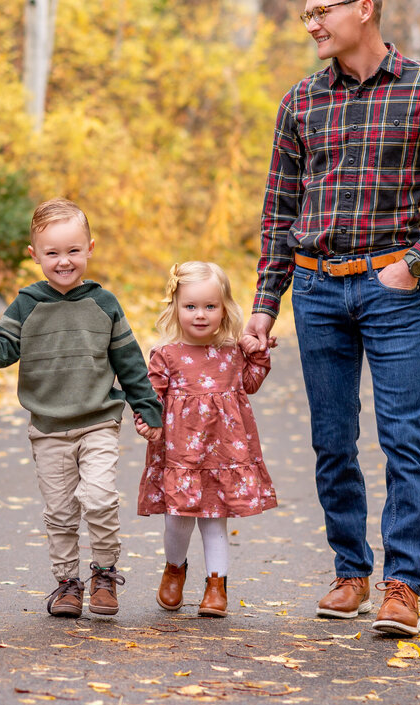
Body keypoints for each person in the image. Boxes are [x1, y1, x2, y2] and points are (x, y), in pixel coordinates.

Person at [242, 0, 420, 636]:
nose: (312, 24)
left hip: (390, 288)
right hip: (316, 287)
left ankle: (403, 583)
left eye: (323, 11)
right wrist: (265, 305)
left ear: (365, 9)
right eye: (307, 14)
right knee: (331, 439)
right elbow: (279, 211)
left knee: (403, 437)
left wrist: (416, 263)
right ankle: (351, 571)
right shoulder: (301, 101)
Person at [0, 198, 163, 618]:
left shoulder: (104, 305)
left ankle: (104, 574)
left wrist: (148, 409)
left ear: (90, 248)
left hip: (98, 421)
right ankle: (68, 584)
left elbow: (130, 362)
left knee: (101, 498)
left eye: (72, 250)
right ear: (35, 256)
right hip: (48, 428)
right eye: (52, 252)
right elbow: (0, 353)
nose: (63, 261)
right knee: (61, 512)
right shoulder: (27, 305)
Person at [134, 261, 277, 618]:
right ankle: (174, 569)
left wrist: (257, 353)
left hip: (223, 455)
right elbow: (150, 396)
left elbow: (251, 384)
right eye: (191, 307)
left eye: (210, 306)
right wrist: (146, 421)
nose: (201, 315)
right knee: (177, 520)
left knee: (215, 521)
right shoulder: (166, 354)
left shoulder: (232, 353)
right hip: (180, 456)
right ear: (176, 308)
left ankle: (217, 586)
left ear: (224, 309)